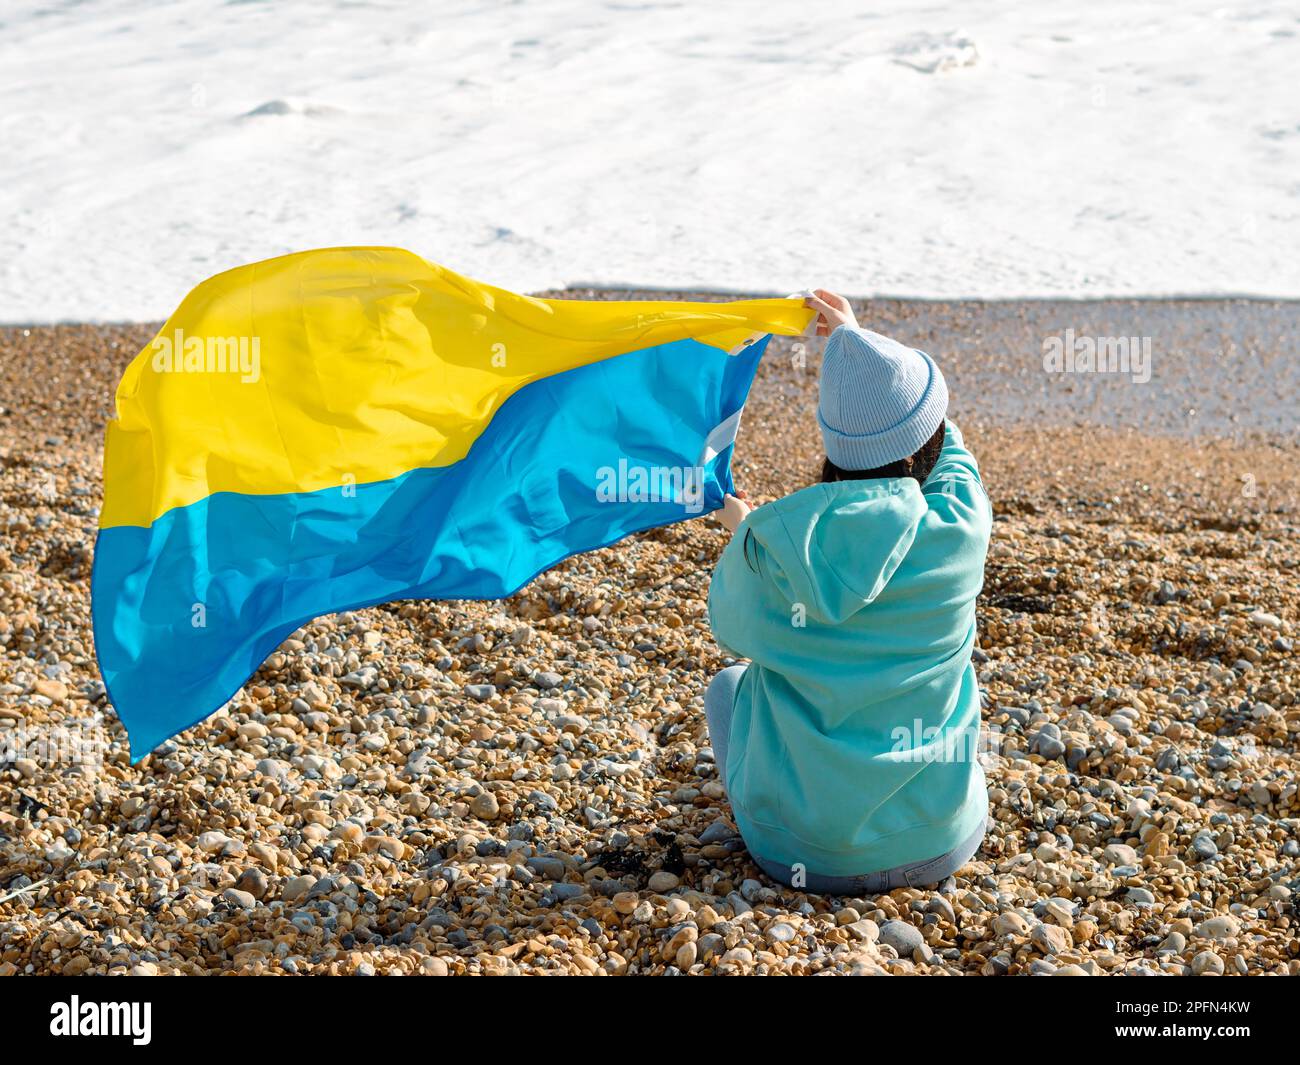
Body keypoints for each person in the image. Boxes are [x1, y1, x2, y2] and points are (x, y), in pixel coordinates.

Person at [703, 290, 992, 894]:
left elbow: (728, 627)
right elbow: (950, 450)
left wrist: (748, 535)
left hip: (801, 856)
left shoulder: (777, 552)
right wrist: (862, 351)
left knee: (730, 686)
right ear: (923, 446)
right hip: (943, 841)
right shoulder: (962, 525)